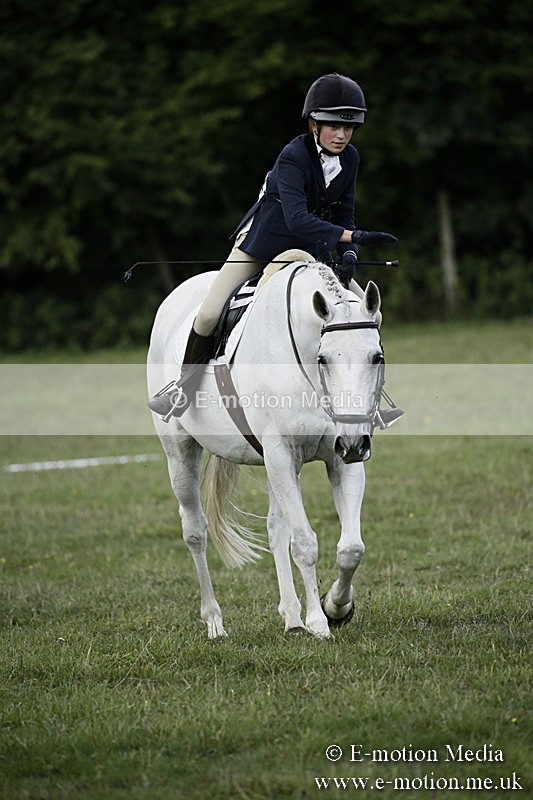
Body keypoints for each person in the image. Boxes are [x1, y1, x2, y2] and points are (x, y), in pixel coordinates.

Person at [149, 73, 401, 423]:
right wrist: (352, 237)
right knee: (208, 313)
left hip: (315, 248)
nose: (342, 135)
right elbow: (297, 219)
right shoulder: (293, 156)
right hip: (265, 242)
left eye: (349, 128)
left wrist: (350, 256)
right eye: (333, 127)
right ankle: (183, 389)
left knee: (371, 314)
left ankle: (371, 403)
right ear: (314, 123)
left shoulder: (351, 158)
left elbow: (346, 213)